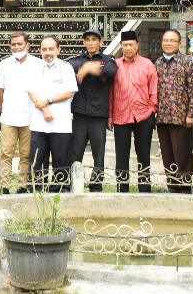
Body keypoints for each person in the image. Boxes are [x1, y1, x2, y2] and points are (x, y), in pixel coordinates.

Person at [27, 36, 79, 192]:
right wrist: (44, 109)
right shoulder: (35, 68)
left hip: (60, 125)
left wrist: (48, 100)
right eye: (44, 49)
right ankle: (36, 194)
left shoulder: (66, 67)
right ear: (40, 51)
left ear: (58, 49)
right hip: (39, 124)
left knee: (61, 163)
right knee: (37, 163)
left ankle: (60, 194)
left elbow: (70, 92)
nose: (47, 52)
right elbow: (31, 92)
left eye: (51, 49)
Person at [68, 28, 117, 192]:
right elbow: (70, 72)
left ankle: (96, 186)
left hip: (98, 116)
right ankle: (74, 185)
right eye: (87, 39)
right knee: (75, 154)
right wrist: (88, 67)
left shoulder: (108, 60)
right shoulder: (75, 61)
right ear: (84, 42)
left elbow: (110, 71)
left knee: (99, 155)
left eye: (94, 39)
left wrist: (88, 68)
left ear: (100, 43)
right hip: (79, 115)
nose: (90, 42)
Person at [110, 30, 158, 193]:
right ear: (121, 46)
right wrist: (110, 116)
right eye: (125, 45)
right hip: (120, 115)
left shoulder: (147, 64)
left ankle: (144, 190)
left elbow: (153, 90)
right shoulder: (115, 65)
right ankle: (121, 190)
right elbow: (110, 92)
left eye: (131, 44)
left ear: (137, 45)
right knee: (121, 156)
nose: (128, 48)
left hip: (143, 116)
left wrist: (152, 110)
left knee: (143, 155)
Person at [0, 32, 42, 194]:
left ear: (27, 45)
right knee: (6, 153)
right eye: (13, 44)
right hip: (9, 116)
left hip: (30, 117)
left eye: (19, 44)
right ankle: (5, 186)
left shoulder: (38, 64)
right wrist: (2, 109)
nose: (16, 47)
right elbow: (0, 90)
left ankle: (23, 185)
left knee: (26, 154)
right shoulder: (4, 64)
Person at [155, 29, 193, 194]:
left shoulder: (188, 62)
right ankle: (172, 186)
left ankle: (185, 188)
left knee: (183, 154)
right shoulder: (157, 63)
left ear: (179, 43)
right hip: (163, 117)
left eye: (172, 40)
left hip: (181, 118)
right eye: (166, 40)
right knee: (167, 155)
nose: (168, 43)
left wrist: (190, 114)